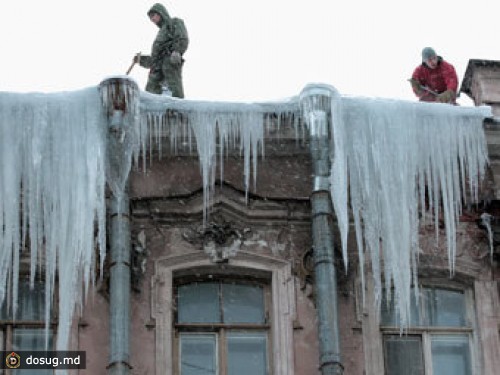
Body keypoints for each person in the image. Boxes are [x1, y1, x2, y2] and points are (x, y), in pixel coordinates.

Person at [133, 3, 189, 98]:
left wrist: (177, 51)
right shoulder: (160, 33)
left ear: (161, 13)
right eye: (150, 18)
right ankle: (152, 108)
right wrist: (141, 60)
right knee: (151, 93)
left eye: (153, 15)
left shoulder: (174, 22)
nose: (152, 19)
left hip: (169, 63)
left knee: (172, 89)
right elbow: (155, 60)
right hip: (157, 71)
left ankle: (176, 107)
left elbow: (182, 38)